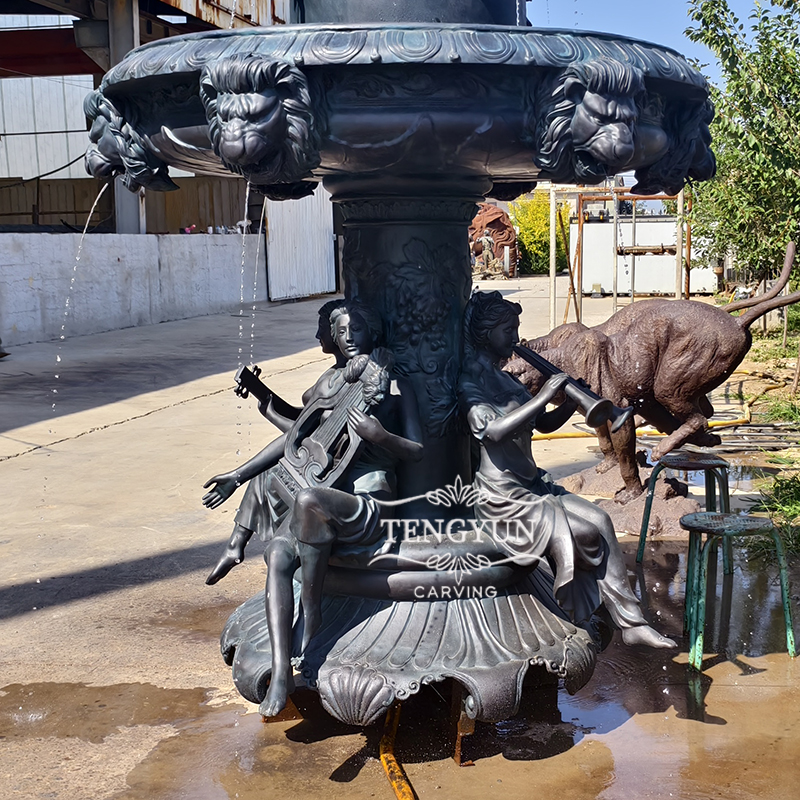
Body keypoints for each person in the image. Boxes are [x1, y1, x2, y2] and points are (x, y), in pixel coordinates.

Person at [203, 300, 423, 714]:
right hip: (322, 500)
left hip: (369, 502)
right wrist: (237, 475)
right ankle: (283, 671)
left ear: (373, 331)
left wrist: (381, 436)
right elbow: (298, 440)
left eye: (358, 328)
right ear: (335, 340)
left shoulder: (396, 387)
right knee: (278, 555)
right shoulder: (337, 384)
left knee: (306, 499)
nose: (351, 337)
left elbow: (416, 452)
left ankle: (313, 608)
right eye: (343, 332)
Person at [458, 290, 674, 648]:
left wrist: (576, 399)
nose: (515, 338)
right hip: (503, 495)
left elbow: (541, 425)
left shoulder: (509, 380)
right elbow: (491, 431)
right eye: (508, 330)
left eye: (516, 328)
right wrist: (543, 396)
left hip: (534, 484)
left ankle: (632, 622)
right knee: (583, 532)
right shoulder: (470, 381)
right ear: (484, 334)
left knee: (602, 521)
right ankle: (586, 608)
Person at [204, 299, 349, 585]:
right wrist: (267, 403)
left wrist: (271, 412)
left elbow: (305, 432)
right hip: (313, 448)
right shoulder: (331, 375)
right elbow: (303, 421)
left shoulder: (345, 381)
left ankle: (236, 543)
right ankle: (235, 544)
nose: (317, 336)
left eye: (322, 328)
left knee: (269, 473)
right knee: (270, 469)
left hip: (328, 464)